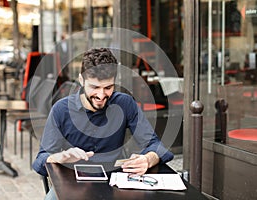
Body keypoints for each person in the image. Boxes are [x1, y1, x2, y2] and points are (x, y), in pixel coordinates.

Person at [32, 48, 174, 199]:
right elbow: (40, 160)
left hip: (115, 182)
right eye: (94, 87)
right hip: (72, 183)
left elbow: (156, 146)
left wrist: (148, 159)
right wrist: (58, 157)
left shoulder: (125, 104)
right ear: (81, 81)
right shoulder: (61, 110)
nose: (101, 95)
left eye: (108, 88)